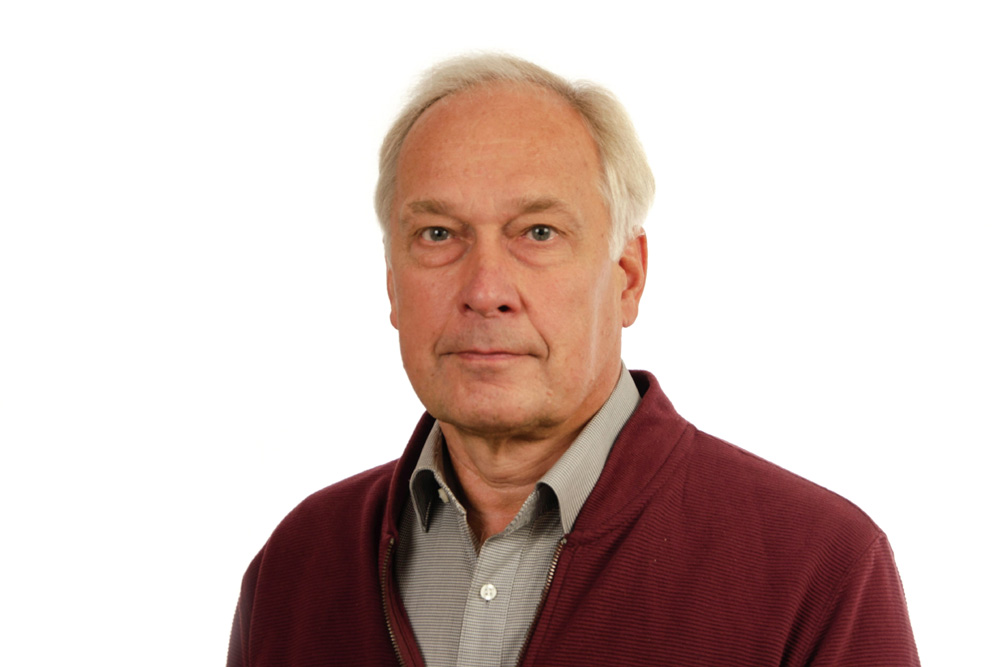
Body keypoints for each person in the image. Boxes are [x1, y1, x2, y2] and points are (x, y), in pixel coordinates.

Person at [227, 54, 919, 666]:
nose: (485, 290)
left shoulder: (817, 571)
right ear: (391, 285)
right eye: (438, 234)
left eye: (538, 232)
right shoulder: (296, 567)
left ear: (627, 276)